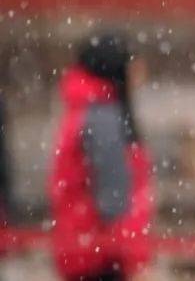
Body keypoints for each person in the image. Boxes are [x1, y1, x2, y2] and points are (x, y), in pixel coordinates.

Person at [49, 33, 155, 281]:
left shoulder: (85, 108)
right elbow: (115, 200)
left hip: (82, 248)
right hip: (102, 255)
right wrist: (136, 261)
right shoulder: (102, 116)